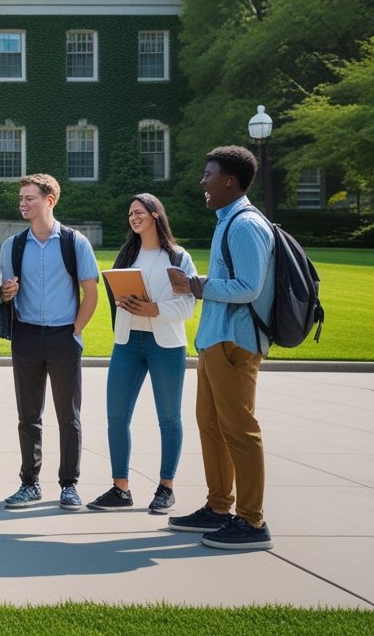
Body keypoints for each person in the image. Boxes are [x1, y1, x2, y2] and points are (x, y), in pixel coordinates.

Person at [167, 146, 275, 551]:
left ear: (230, 180)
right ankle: (218, 507)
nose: (203, 182)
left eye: (208, 175)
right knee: (211, 426)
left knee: (240, 430)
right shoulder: (227, 221)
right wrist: (197, 284)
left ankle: (252, 521)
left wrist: (196, 285)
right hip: (215, 340)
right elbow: (235, 279)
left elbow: (250, 286)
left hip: (236, 341)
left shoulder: (246, 225)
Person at [87, 194, 197, 514]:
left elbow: (187, 305)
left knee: (169, 417)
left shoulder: (177, 257)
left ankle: (166, 487)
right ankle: (121, 488)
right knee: (116, 416)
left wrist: (153, 309)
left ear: (155, 215)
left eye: (138, 212)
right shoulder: (127, 255)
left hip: (165, 345)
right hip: (127, 343)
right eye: (130, 214)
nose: (133, 218)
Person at [0, 173, 99, 511]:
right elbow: (5, 291)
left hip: (63, 337)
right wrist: (6, 292)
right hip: (25, 336)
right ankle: (29, 484)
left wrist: (75, 331)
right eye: (22, 199)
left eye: (30, 198)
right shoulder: (12, 245)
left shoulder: (75, 242)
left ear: (49, 200)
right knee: (28, 417)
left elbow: (91, 292)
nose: (23, 204)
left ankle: (69, 486)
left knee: (68, 417)